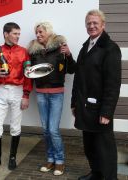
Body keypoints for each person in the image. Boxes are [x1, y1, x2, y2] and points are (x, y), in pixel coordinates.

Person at [71, 10, 121, 180]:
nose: (91, 26)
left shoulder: (110, 48)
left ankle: (109, 177)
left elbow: (113, 84)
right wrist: (73, 103)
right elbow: (78, 77)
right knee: (90, 146)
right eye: (89, 23)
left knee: (104, 148)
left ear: (103, 25)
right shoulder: (86, 46)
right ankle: (96, 174)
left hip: (100, 109)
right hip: (84, 107)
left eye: (95, 23)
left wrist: (107, 112)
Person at [27, 22, 76, 176]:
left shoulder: (60, 47)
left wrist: (68, 54)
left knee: (53, 130)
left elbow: (72, 69)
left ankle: (60, 161)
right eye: (37, 33)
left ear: (48, 32)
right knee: (46, 130)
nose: (38, 35)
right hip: (40, 93)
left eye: (41, 32)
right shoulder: (33, 51)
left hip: (56, 94)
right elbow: (29, 71)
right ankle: (50, 159)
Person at [0, 22, 32, 172]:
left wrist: (26, 95)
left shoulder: (24, 52)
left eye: (19, 34)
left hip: (18, 91)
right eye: (15, 33)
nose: (18, 36)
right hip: (1, 91)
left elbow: (28, 76)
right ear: (6, 34)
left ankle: (12, 157)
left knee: (15, 125)